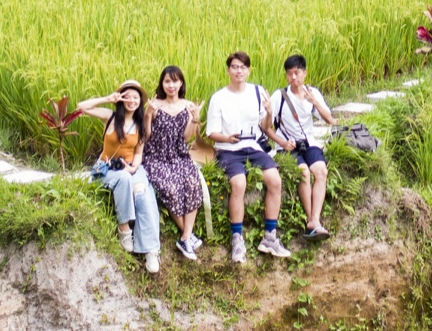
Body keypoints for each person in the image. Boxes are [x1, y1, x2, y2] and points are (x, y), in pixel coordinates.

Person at [202, 50, 291, 264]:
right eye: (234, 67)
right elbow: (211, 133)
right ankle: (237, 239)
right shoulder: (219, 98)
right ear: (228, 70)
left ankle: (270, 237)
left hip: (253, 146)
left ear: (248, 70)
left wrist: (269, 113)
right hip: (228, 148)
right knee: (239, 184)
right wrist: (227, 138)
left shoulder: (258, 92)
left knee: (275, 180)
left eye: (243, 67)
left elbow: (265, 127)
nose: (238, 71)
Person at [77, 80, 160, 273]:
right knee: (123, 179)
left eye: (135, 97)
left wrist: (133, 168)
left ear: (140, 100)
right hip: (107, 169)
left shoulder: (139, 124)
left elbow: (139, 153)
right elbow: (81, 107)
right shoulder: (110, 117)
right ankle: (124, 230)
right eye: (127, 96)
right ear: (121, 98)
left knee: (144, 195)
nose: (131, 100)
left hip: (131, 167)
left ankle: (151, 250)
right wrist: (107, 99)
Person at [143, 64, 206, 262]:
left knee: (192, 182)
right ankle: (188, 237)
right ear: (162, 84)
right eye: (167, 81)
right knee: (169, 187)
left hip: (178, 154)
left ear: (181, 83)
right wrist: (147, 115)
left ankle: (185, 237)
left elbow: (186, 138)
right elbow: (146, 135)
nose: (171, 85)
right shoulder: (155, 105)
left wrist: (195, 120)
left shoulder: (188, 106)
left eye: (175, 81)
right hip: (156, 156)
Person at [271, 53, 338, 241]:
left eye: (297, 73)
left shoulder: (312, 93)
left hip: (309, 143)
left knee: (321, 171)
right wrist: (282, 141)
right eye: (290, 74)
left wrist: (314, 102)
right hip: (287, 146)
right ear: (286, 76)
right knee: (304, 172)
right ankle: (312, 221)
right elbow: (266, 126)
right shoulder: (280, 96)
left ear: (304, 73)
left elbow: (329, 120)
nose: (294, 78)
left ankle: (314, 219)